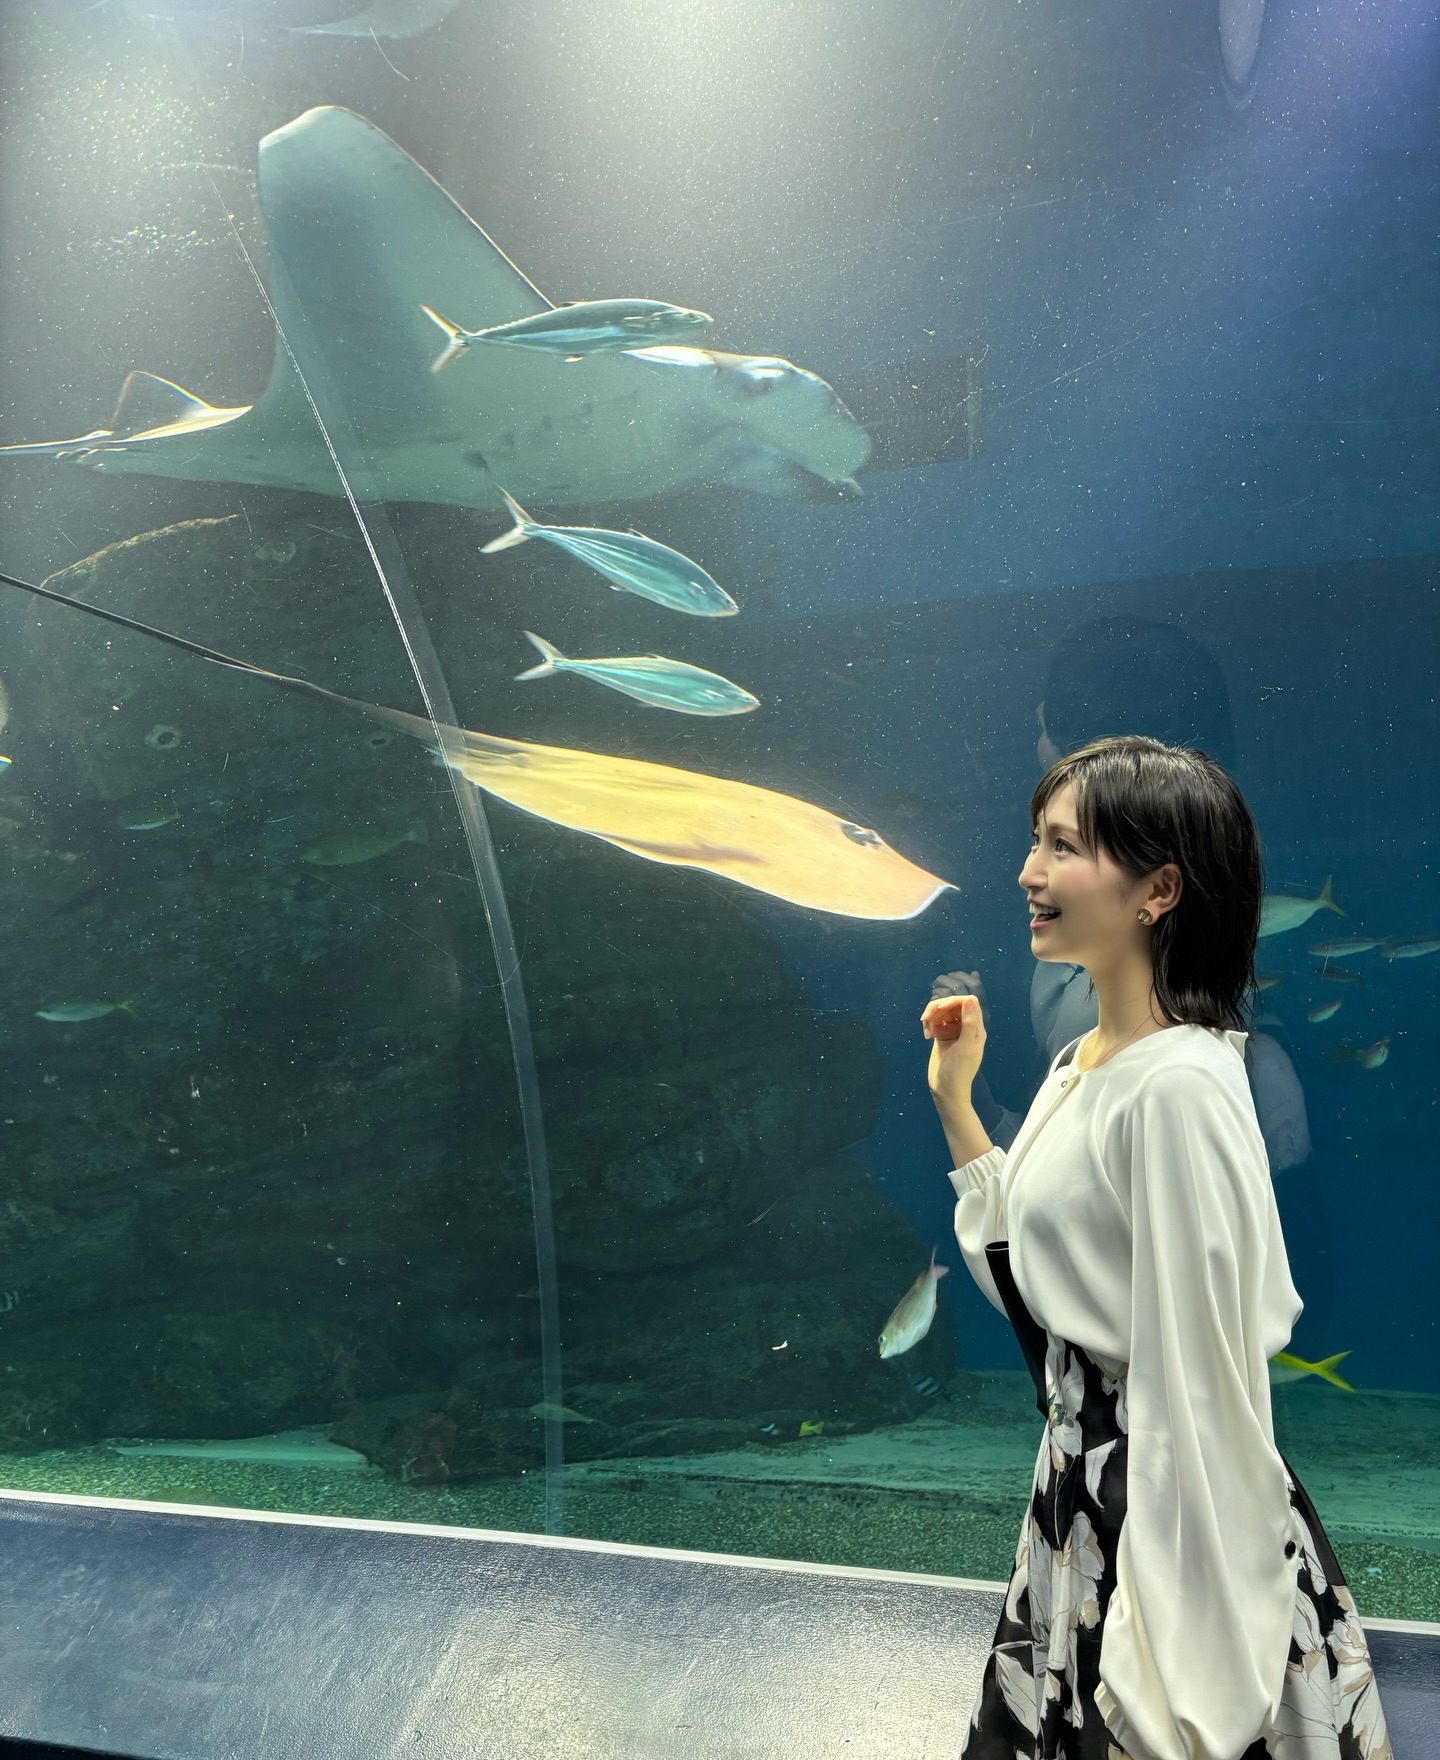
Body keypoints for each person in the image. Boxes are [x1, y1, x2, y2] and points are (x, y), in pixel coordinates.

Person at [921, 736, 1389, 1760]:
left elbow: (1205, 1386)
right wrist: (957, 1102)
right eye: (1035, 841)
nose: (1029, 872)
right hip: (1082, 1506)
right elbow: (1042, 1293)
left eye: (1062, 846)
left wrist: (1180, 1667)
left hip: (1172, 1523)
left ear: (1159, 890)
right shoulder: (1081, 1062)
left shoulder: (1180, 1085)